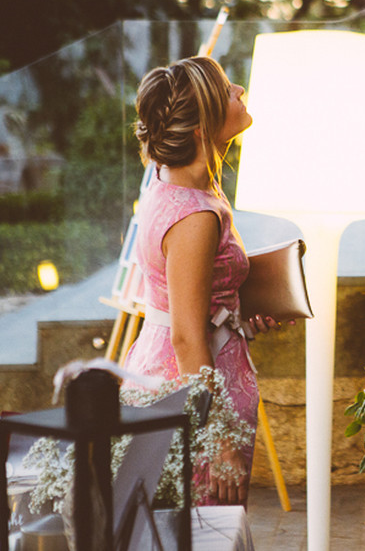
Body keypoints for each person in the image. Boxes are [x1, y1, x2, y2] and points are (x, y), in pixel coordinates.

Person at [123, 56, 275, 507]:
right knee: (205, 529)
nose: (241, 91)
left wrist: (240, 315)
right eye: (228, 90)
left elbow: (188, 296)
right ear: (200, 130)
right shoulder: (194, 217)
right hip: (196, 398)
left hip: (163, 372)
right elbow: (188, 337)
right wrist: (219, 439)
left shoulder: (166, 181)